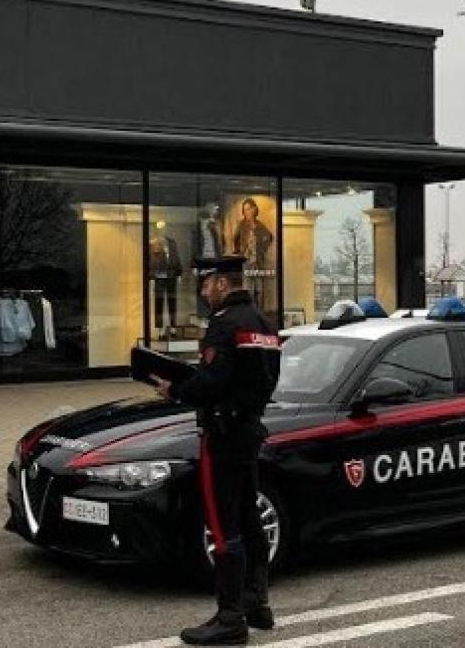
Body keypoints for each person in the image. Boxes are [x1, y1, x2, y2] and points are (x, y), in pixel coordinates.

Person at [151, 256, 281, 646]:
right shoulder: (263, 322)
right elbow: (266, 378)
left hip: (223, 435)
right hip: (249, 430)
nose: (204, 291)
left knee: (222, 525)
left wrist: (174, 389)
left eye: (206, 284)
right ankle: (256, 602)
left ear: (222, 284)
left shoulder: (224, 324)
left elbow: (213, 381)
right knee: (249, 517)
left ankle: (230, 617)